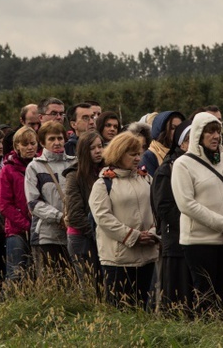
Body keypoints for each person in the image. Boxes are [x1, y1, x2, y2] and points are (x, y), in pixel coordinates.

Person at [171, 112, 223, 315]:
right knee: (206, 292)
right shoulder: (183, 164)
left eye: (217, 131)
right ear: (198, 134)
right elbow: (186, 203)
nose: (215, 136)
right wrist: (222, 224)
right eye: (209, 132)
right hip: (200, 240)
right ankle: (208, 334)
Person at [89, 132, 159, 308]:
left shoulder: (147, 179)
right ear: (119, 153)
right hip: (118, 258)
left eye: (139, 153)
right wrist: (133, 236)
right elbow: (103, 218)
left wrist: (151, 233)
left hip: (147, 254)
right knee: (120, 310)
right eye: (132, 154)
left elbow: (157, 210)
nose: (137, 158)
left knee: (144, 308)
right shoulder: (103, 184)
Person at [152, 120, 193, 311]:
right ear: (182, 144)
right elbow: (164, 207)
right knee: (178, 299)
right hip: (177, 242)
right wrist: (192, 222)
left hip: (200, 241)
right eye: (191, 139)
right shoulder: (167, 169)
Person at [24, 120, 75, 275]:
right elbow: (33, 203)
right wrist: (59, 217)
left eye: (60, 138)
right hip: (46, 235)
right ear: (42, 142)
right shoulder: (34, 167)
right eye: (51, 139)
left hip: (74, 232)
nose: (57, 142)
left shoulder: (75, 163)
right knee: (51, 283)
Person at [64, 131, 105, 287]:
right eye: (92, 148)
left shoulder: (107, 172)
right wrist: (96, 232)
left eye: (100, 146)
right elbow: (74, 214)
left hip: (102, 235)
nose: (98, 151)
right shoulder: (74, 176)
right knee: (88, 284)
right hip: (81, 236)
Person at [0, 127, 36, 281]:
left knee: (36, 272)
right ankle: (12, 303)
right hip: (17, 230)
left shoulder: (40, 165)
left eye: (33, 143)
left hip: (40, 228)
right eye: (25, 144)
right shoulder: (8, 170)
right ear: (17, 146)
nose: (30, 147)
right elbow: (4, 205)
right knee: (15, 273)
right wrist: (26, 224)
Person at [143, 111, 185, 177]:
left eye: (180, 128)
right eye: (172, 128)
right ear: (163, 130)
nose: (177, 131)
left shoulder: (182, 151)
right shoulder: (149, 156)